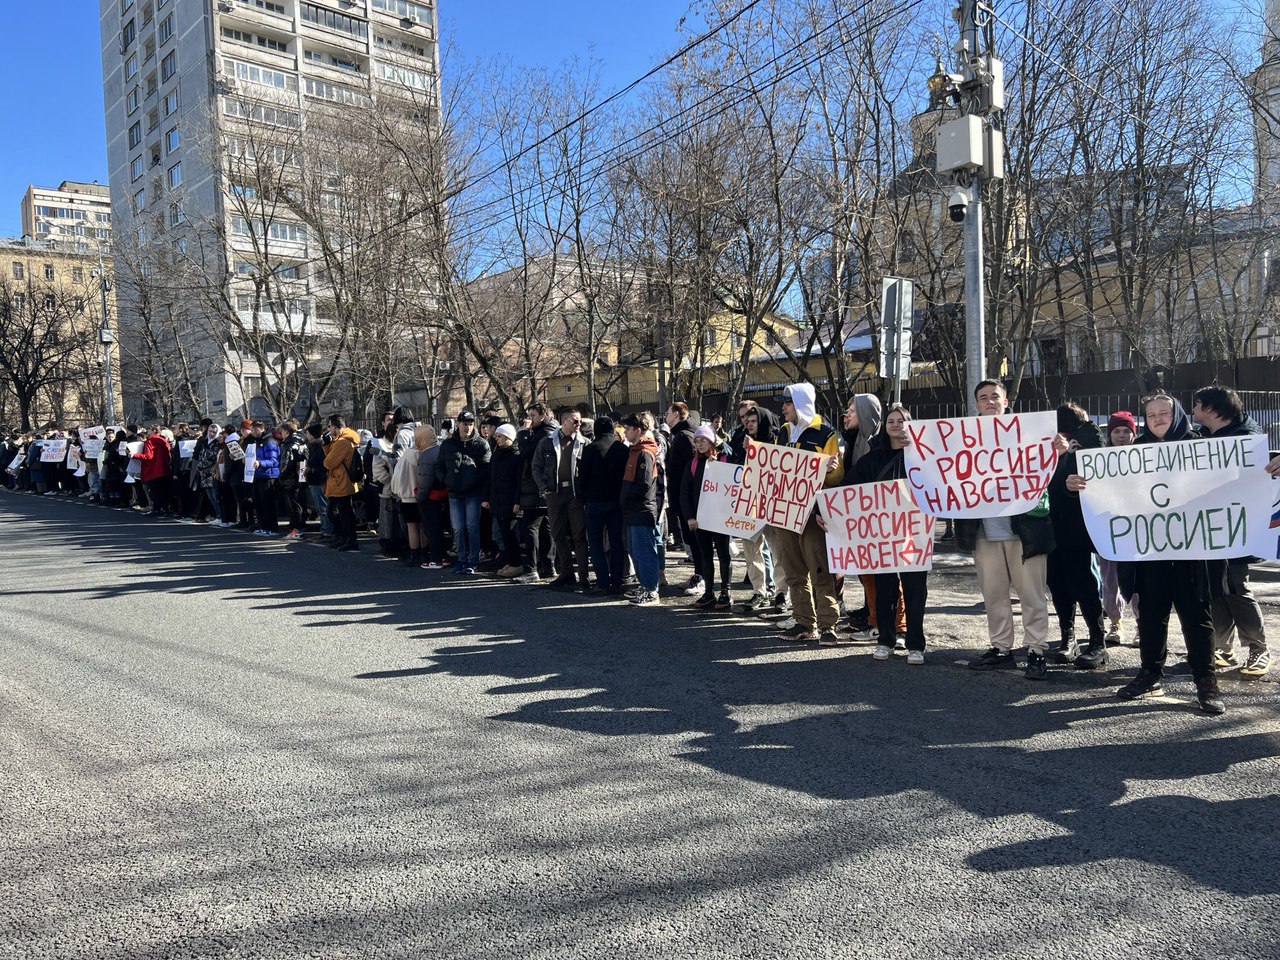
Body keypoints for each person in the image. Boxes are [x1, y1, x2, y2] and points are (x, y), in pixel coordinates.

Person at [1070, 394, 1227, 714]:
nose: (1157, 418)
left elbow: (1233, 476)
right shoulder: (1133, 452)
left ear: (1178, 414)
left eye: (1164, 413)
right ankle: (1149, 673)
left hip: (1191, 555)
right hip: (1149, 554)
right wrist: (1076, 483)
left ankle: (1206, 682)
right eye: (1151, 414)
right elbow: (1109, 488)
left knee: (1197, 620)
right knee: (1152, 617)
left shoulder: (1200, 446)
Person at [958, 380, 1056, 681]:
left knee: (1032, 594)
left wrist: (1059, 451)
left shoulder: (1030, 432)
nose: (989, 402)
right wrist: (917, 449)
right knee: (994, 594)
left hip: (1023, 530)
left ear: (1006, 400)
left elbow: (1049, 466)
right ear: (976, 404)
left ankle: (1036, 650)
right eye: (983, 398)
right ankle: (1001, 649)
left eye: (994, 397)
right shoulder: (961, 439)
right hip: (984, 532)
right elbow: (938, 466)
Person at [1191, 385, 1271, 677]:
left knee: (1236, 587)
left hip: (1236, 529)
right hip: (1209, 529)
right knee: (1215, 588)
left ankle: (1258, 650)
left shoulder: (1247, 440)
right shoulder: (1203, 437)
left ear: (1211, 409)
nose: (1193, 410)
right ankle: (1222, 649)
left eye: (1197, 404)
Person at [850, 404, 928, 664]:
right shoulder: (872, 459)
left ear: (910, 424)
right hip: (882, 536)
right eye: (891, 421)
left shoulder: (923, 456)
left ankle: (916, 644)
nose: (896, 425)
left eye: (901, 420)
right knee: (885, 590)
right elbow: (847, 490)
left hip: (915, 534)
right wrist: (824, 511)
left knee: (915, 590)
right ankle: (886, 640)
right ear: (885, 426)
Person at [773, 383, 844, 645]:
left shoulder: (826, 433)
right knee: (793, 570)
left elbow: (836, 478)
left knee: (819, 569)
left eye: (787, 403)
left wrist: (831, 470)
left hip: (812, 513)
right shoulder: (783, 431)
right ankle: (804, 622)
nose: (783, 408)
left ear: (801, 403)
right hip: (784, 512)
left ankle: (828, 625)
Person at [1047, 403, 1108, 669]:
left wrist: (1064, 465)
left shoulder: (1088, 440)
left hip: (1076, 524)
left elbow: (1095, 476)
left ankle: (1097, 642)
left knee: (1082, 582)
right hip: (1050, 524)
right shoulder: (1049, 442)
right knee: (1057, 583)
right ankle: (1068, 638)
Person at [841, 393, 886, 641]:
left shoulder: (880, 443)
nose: (847, 414)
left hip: (878, 518)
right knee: (865, 571)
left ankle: (879, 623)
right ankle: (873, 614)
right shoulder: (853, 439)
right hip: (858, 515)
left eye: (853, 410)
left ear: (866, 414)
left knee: (879, 573)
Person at [730, 404, 783, 614]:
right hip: (749, 503)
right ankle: (759, 590)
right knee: (751, 550)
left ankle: (781, 592)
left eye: (753, 421)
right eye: (746, 421)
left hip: (772, 504)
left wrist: (756, 451)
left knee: (778, 549)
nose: (748, 424)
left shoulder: (777, 439)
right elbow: (734, 467)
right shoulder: (740, 439)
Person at [533, 408, 589, 591]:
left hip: (575, 495)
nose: (579, 424)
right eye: (575, 421)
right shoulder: (547, 442)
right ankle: (567, 573)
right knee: (557, 534)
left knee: (579, 535)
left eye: (579, 421)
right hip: (555, 494)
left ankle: (583, 576)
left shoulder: (584, 443)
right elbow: (536, 467)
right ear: (564, 421)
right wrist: (545, 489)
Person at [681, 424, 734, 610]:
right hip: (700, 519)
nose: (699, 444)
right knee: (705, 556)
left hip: (720, 518)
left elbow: (733, 473)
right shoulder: (693, 464)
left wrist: (718, 461)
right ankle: (709, 592)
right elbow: (685, 493)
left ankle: (726, 592)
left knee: (723, 555)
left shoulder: (724, 459)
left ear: (712, 441)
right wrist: (689, 517)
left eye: (703, 440)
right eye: (696, 441)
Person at [1096, 412, 1138, 644]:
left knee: (1140, 580)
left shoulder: (1146, 457)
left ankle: (1142, 625)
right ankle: (1115, 623)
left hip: (1137, 529)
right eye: (1117, 431)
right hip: (1108, 529)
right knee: (1110, 579)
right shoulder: (1098, 460)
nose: (1121, 436)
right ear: (1109, 434)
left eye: (1126, 431)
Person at [577, 414, 629, 595]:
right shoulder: (622, 449)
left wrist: (581, 498)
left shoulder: (591, 449)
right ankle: (617, 581)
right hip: (617, 501)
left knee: (596, 542)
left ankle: (602, 582)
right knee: (616, 542)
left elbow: (581, 477)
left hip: (595, 502)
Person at [435, 410, 490, 574]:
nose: (468, 427)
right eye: (465, 423)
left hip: (473, 492)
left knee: (472, 526)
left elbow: (486, 468)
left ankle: (472, 560)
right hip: (454, 493)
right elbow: (439, 466)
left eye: (471, 424)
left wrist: (474, 481)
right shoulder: (448, 444)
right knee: (458, 528)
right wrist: (446, 480)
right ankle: (461, 558)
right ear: (458, 424)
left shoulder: (481, 444)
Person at [620, 412, 662, 606]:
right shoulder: (634, 450)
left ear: (638, 430)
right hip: (633, 509)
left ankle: (651, 589)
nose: (625, 432)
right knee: (636, 551)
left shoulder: (644, 452)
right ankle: (644, 585)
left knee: (644, 551)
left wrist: (627, 499)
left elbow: (644, 483)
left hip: (641, 509)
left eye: (628, 429)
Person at [514, 404, 557, 583]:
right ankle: (548, 566)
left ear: (543, 415)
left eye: (532, 416)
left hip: (536, 488)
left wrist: (523, 432)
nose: (529, 419)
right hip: (539, 488)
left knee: (530, 527)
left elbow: (525, 453)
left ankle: (532, 569)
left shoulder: (544, 434)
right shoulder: (545, 432)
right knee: (546, 529)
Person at [664, 402, 699, 590]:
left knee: (695, 542)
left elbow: (689, 471)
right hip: (682, 498)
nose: (665, 416)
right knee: (692, 542)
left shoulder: (684, 436)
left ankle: (700, 579)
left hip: (687, 500)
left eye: (668, 413)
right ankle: (698, 576)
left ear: (676, 414)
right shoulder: (681, 434)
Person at [485, 423, 525, 578]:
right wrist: (486, 498)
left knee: (510, 534)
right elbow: (491, 479)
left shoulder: (516, 456)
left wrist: (517, 501)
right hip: (498, 500)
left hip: (510, 502)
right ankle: (509, 561)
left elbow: (518, 482)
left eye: (500, 436)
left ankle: (516, 563)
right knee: (502, 534)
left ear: (509, 437)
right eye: (496, 437)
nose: (497, 440)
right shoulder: (497, 454)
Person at [389, 424, 428, 566]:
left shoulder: (407, 454)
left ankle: (414, 555)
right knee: (423, 526)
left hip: (407, 495)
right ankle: (425, 554)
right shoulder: (427, 453)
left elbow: (397, 476)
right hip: (423, 494)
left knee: (412, 527)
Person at [322, 414, 361, 552]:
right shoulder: (340, 440)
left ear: (334, 426)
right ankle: (342, 537)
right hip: (339, 481)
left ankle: (349, 539)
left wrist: (329, 445)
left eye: (329, 426)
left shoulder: (342, 442)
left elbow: (329, 462)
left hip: (341, 481)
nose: (328, 429)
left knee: (343, 512)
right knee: (336, 511)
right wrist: (327, 444)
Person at [415, 425, 449, 569]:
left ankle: (436, 559)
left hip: (430, 498)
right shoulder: (440, 449)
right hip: (443, 495)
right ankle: (444, 556)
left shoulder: (426, 455)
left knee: (432, 529)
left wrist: (419, 497)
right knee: (440, 529)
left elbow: (424, 482)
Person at [277, 421, 309, 540]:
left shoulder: (290, 444)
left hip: (290, 478)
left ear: (286, 431)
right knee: (300, 503)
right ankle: (300, 526)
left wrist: (280, 475)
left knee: (293, 505)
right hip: (301, 475)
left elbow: (286, 462)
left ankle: (296, 528)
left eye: (282, 432)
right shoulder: (302, 441)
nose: (282, 435)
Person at [249, 421, 281, 536]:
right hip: (258, 475)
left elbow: (274, 461)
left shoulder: (269, 441)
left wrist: (260, 463)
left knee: (268, 504)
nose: (251, 433)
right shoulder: (257, 441)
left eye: (252, 430)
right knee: (258, 502)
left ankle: (272, 528)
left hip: (268, 476)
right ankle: (263, 526)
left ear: (258, 430)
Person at [132, 425, 172, 515]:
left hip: (153, 470)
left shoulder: (150, 441)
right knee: (163, 491)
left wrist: (134, 455)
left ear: (153, 430)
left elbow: (148, 456)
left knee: (154, 491)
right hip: (164, 469)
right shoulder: (163, 440)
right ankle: (165, 508)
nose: (147, 431)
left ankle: (157, 509)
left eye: (149, 429)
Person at [304, 424, 332, 542]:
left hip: (319, 481)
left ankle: (328, 532)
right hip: (314, 480)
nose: (306, 435)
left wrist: (311, 469)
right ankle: (323, 530)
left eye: (307, 433)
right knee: (320, 509)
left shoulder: (321, 447)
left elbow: (325, 466)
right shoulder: (313, 446)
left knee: (323, 508)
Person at [193, 423, 225, 526]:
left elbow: (211, 457)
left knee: (215, 496)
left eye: (214, 432)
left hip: (212, 472)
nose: (211, 434)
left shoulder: (216, 443)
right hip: (204, 474)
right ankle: (217, 515)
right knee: (210, 496)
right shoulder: (205, 442)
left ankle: (220, 515)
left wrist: (200, 466)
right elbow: (201, 455)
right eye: (210, 431)